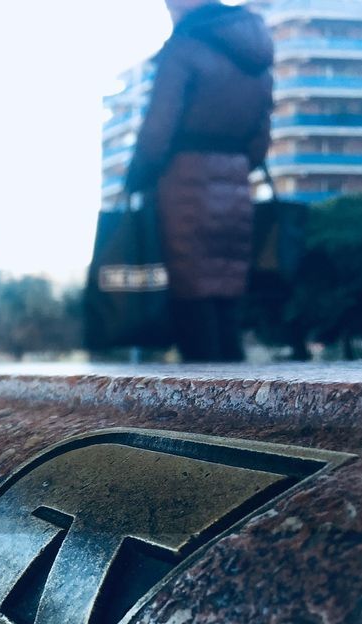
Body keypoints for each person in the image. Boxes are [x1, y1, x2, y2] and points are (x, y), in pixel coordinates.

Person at [124, 0, 274, 363]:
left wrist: (137, 177)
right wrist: (233, 166)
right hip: (237, 186)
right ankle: (240, 409)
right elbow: (260, 139)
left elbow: (158, 128)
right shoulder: (257, 59)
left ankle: (204, 414)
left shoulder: (184, 46)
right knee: (226, 304)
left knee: (191, 301)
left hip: (183, 186)